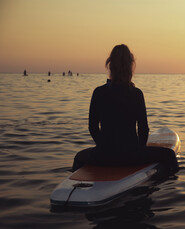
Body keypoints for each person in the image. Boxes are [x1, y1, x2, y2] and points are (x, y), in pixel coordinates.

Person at [72, 44, 179, 174]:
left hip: (104, 155)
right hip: (131, 155)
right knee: (169, 155)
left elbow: (92, 127)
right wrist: (139, 151)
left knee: (78, 158)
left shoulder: (98, 92)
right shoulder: (136, 93)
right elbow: (143, 129)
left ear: (110, 65)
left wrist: (103, 148)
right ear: (130, 66)